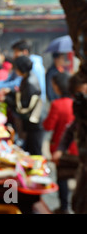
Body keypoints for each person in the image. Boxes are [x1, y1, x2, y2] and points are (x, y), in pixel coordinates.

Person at [52, 73, 87, 214]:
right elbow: (71, 129)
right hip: (83, 163)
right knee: (79, 203)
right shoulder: (81, 108)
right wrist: (60, 149)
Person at [43, 72, 77, 214]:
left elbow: (48, 126)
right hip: (77, 149)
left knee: (62, 177)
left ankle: (64, 207)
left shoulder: (57, 105)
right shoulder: (77, 104)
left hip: (60, 149)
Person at [0, 39, 46, 104]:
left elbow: (17, 83)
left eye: (16, 52)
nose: (14, 55)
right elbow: (9, 80)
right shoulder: (20, 64)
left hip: (32, 103)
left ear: (25, 52)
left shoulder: (32, 66)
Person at [3, 55, 45, 155]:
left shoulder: (30, 83)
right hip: (30, 122)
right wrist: (9, 93)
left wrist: (6, 98)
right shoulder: (28, 77)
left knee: (34, 151)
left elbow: (22, 106)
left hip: (34, 123)